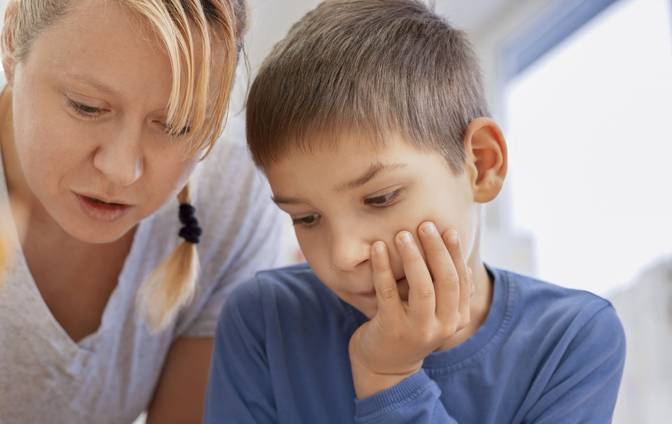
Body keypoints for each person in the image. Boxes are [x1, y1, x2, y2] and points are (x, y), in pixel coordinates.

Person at [0, 0, 285, 423]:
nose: (122, 169)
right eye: (87, 106)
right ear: (11, 37)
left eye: (177, 125)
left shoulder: (234, 190)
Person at [203, 0, 626, 422]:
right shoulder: (263, 321)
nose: (344, 255)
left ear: (482, 165)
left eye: (381, 198)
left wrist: (389, 380)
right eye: (307, 218)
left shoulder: (574, 338)